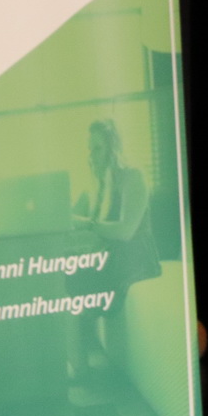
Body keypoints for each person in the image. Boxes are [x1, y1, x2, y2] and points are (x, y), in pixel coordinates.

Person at [70, 118, 160, 378]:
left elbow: (126, 231)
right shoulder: (97, 183)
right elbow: (75, 219)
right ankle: (77, 364)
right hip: (112, 258)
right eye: (90, 149)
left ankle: (80, 366)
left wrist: (87, 224)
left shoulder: (133, 177)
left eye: (97, 148)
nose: (92, 155)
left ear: (113, 148)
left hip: (136, 259)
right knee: (68, 271)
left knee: (76, 279)